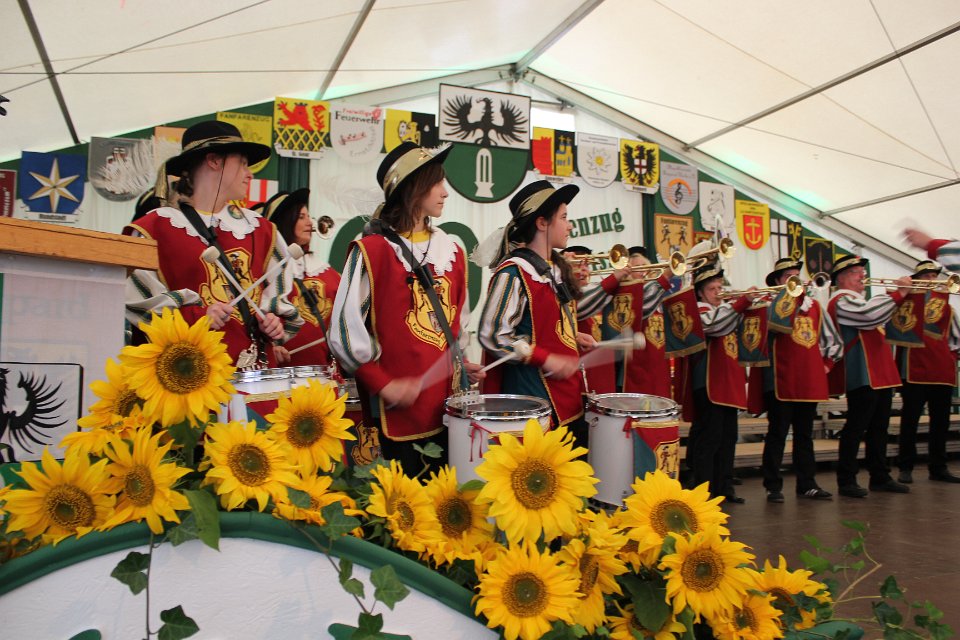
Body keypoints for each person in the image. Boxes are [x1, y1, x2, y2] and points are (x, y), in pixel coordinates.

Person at [328, 141, 482, 472]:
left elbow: (456, 324)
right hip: (398, 412)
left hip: (451, 408)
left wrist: (462, 363)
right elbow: (343, 331)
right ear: (414, 187)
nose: (445, 192)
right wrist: (384, 383)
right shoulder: (372, 251)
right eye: (437, 183)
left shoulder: (453, 251)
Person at [125, 120, 301, 370]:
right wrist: (197, 318)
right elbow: (135, 303)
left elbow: (281, 299)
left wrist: (273, 322)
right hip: (189, 378)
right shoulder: (155, 228)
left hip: (256, 381)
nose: (249, 174)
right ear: (214, 161)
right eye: (242, 163)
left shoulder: (261, 229)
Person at [479, 181, 622, 449]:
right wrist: (545, 358)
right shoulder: (513, 273)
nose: (570, 226)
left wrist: (572, 336)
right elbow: (494, 336)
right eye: (564, 218)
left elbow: (542, 324)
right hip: (535, 406)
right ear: (542, 223)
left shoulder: (553, 270)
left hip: (568, 400)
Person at [753, 259, 842, 503]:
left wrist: (826, 366)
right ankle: (773, 485)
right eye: (788, 276)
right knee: (777, 434)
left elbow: (833, 342)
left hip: (808, 382)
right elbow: (767, 332)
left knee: (804, 436)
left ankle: (807, 483)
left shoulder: (814, 307)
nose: (794, 280)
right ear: (778, 282)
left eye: (796, 275)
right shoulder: (769, 305)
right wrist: (787, 299)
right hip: (780, 381)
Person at [827, 254, 912, 497]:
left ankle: (880, 476)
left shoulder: (863, 300)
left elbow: (881, 317)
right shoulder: (841, 300)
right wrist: (897, 294)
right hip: (862, 373)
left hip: (880, 372)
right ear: (841, 278)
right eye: (856, 273)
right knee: (856, 427)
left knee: (880, 428)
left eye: (862, 272)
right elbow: (867, 317)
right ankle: (846, 479)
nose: (862, 276)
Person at [681, 264, 753, 503]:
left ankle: (725, 487)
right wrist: (740, 303)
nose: (718, 293)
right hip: (709, 382)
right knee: (710, 438)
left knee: (728, 438)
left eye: (720, 287)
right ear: (700, 293)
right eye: (712, 289)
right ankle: (704, 489)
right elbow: (712, 326)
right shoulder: (699, 311)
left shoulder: (726, 310)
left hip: (729, 382)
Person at [895, 260, 960, 484]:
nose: (931, 280)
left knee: (940, 423)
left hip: (940, 371)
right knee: (910, 421)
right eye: (926, 276)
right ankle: (905, 466)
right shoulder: (906, 302)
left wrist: (950, 357)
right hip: (914, 369)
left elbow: (955, 340)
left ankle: (938, 467)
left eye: (933, 276)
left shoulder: (947, 307)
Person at [263, 189, 341, 368]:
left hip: (326, 375)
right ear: (286, 221)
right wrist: (269, 349)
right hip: (283, 375)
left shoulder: (327, 273)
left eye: (309, 216)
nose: (310, 223)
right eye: (301, 217)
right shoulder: (269, 273)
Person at [618, 246, 672, 398]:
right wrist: (666, 276)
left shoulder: (659, 301)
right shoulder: (628, 296)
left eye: (645, 266)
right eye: (638, 267)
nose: (644, 271)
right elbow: (640, 307)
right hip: (637, 369)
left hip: (659, 369)